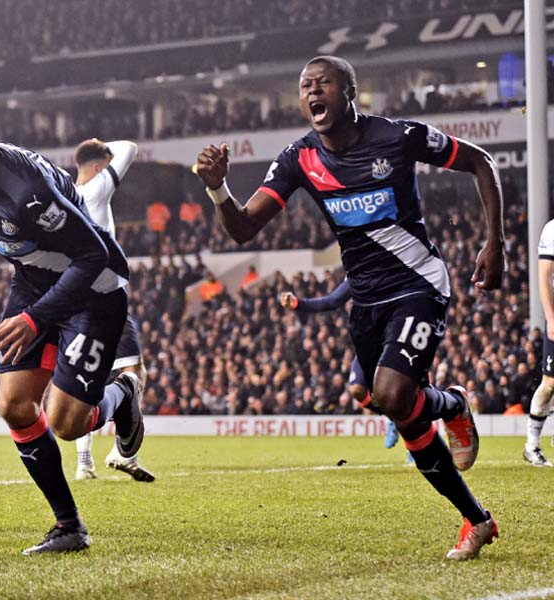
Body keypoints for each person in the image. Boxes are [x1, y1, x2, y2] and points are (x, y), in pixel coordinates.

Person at [196, 55, 503, 560]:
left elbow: (480, 162)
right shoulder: (299, 158)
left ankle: (452, 406)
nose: (312, 92)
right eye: (304, 86)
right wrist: (217, 187)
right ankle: (476, 511)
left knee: (392, 393)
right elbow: (244, 227)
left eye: (323, 83)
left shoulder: (398, 137)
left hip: (418, 284)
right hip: (365, 298)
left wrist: (496, 243)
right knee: (395, 407)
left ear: (349, 92)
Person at [0, 91, 145, 555]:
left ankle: (123, 394)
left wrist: (35, 318)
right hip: (33, 283)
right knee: (15, 405)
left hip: (92, 290)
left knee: (69, 424)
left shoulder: (29, 190)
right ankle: (69, 526)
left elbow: (93, 256)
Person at [72, 138, 155, 483]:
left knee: (85, 380)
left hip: (78, 300)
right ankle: (123, 452)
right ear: (99, 166)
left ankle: (84, 462)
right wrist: (101, 146)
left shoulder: (67, 198)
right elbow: (131, 148)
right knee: (135, 375)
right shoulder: (97, 186)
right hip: (107, 299)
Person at [280, 279, 400, 449]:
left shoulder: (393, 269)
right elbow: (332, 301)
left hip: (396, 341)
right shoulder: (357, 274)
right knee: (357, 389)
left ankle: (417, 439)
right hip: (369, 345)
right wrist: (298, 303)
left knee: (403, 392)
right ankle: (394, 419)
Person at [523, 219, 554, 467]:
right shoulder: (552, 230)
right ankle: (531, 445)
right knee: (550, 383)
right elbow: (544, 276)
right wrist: (551, 318)